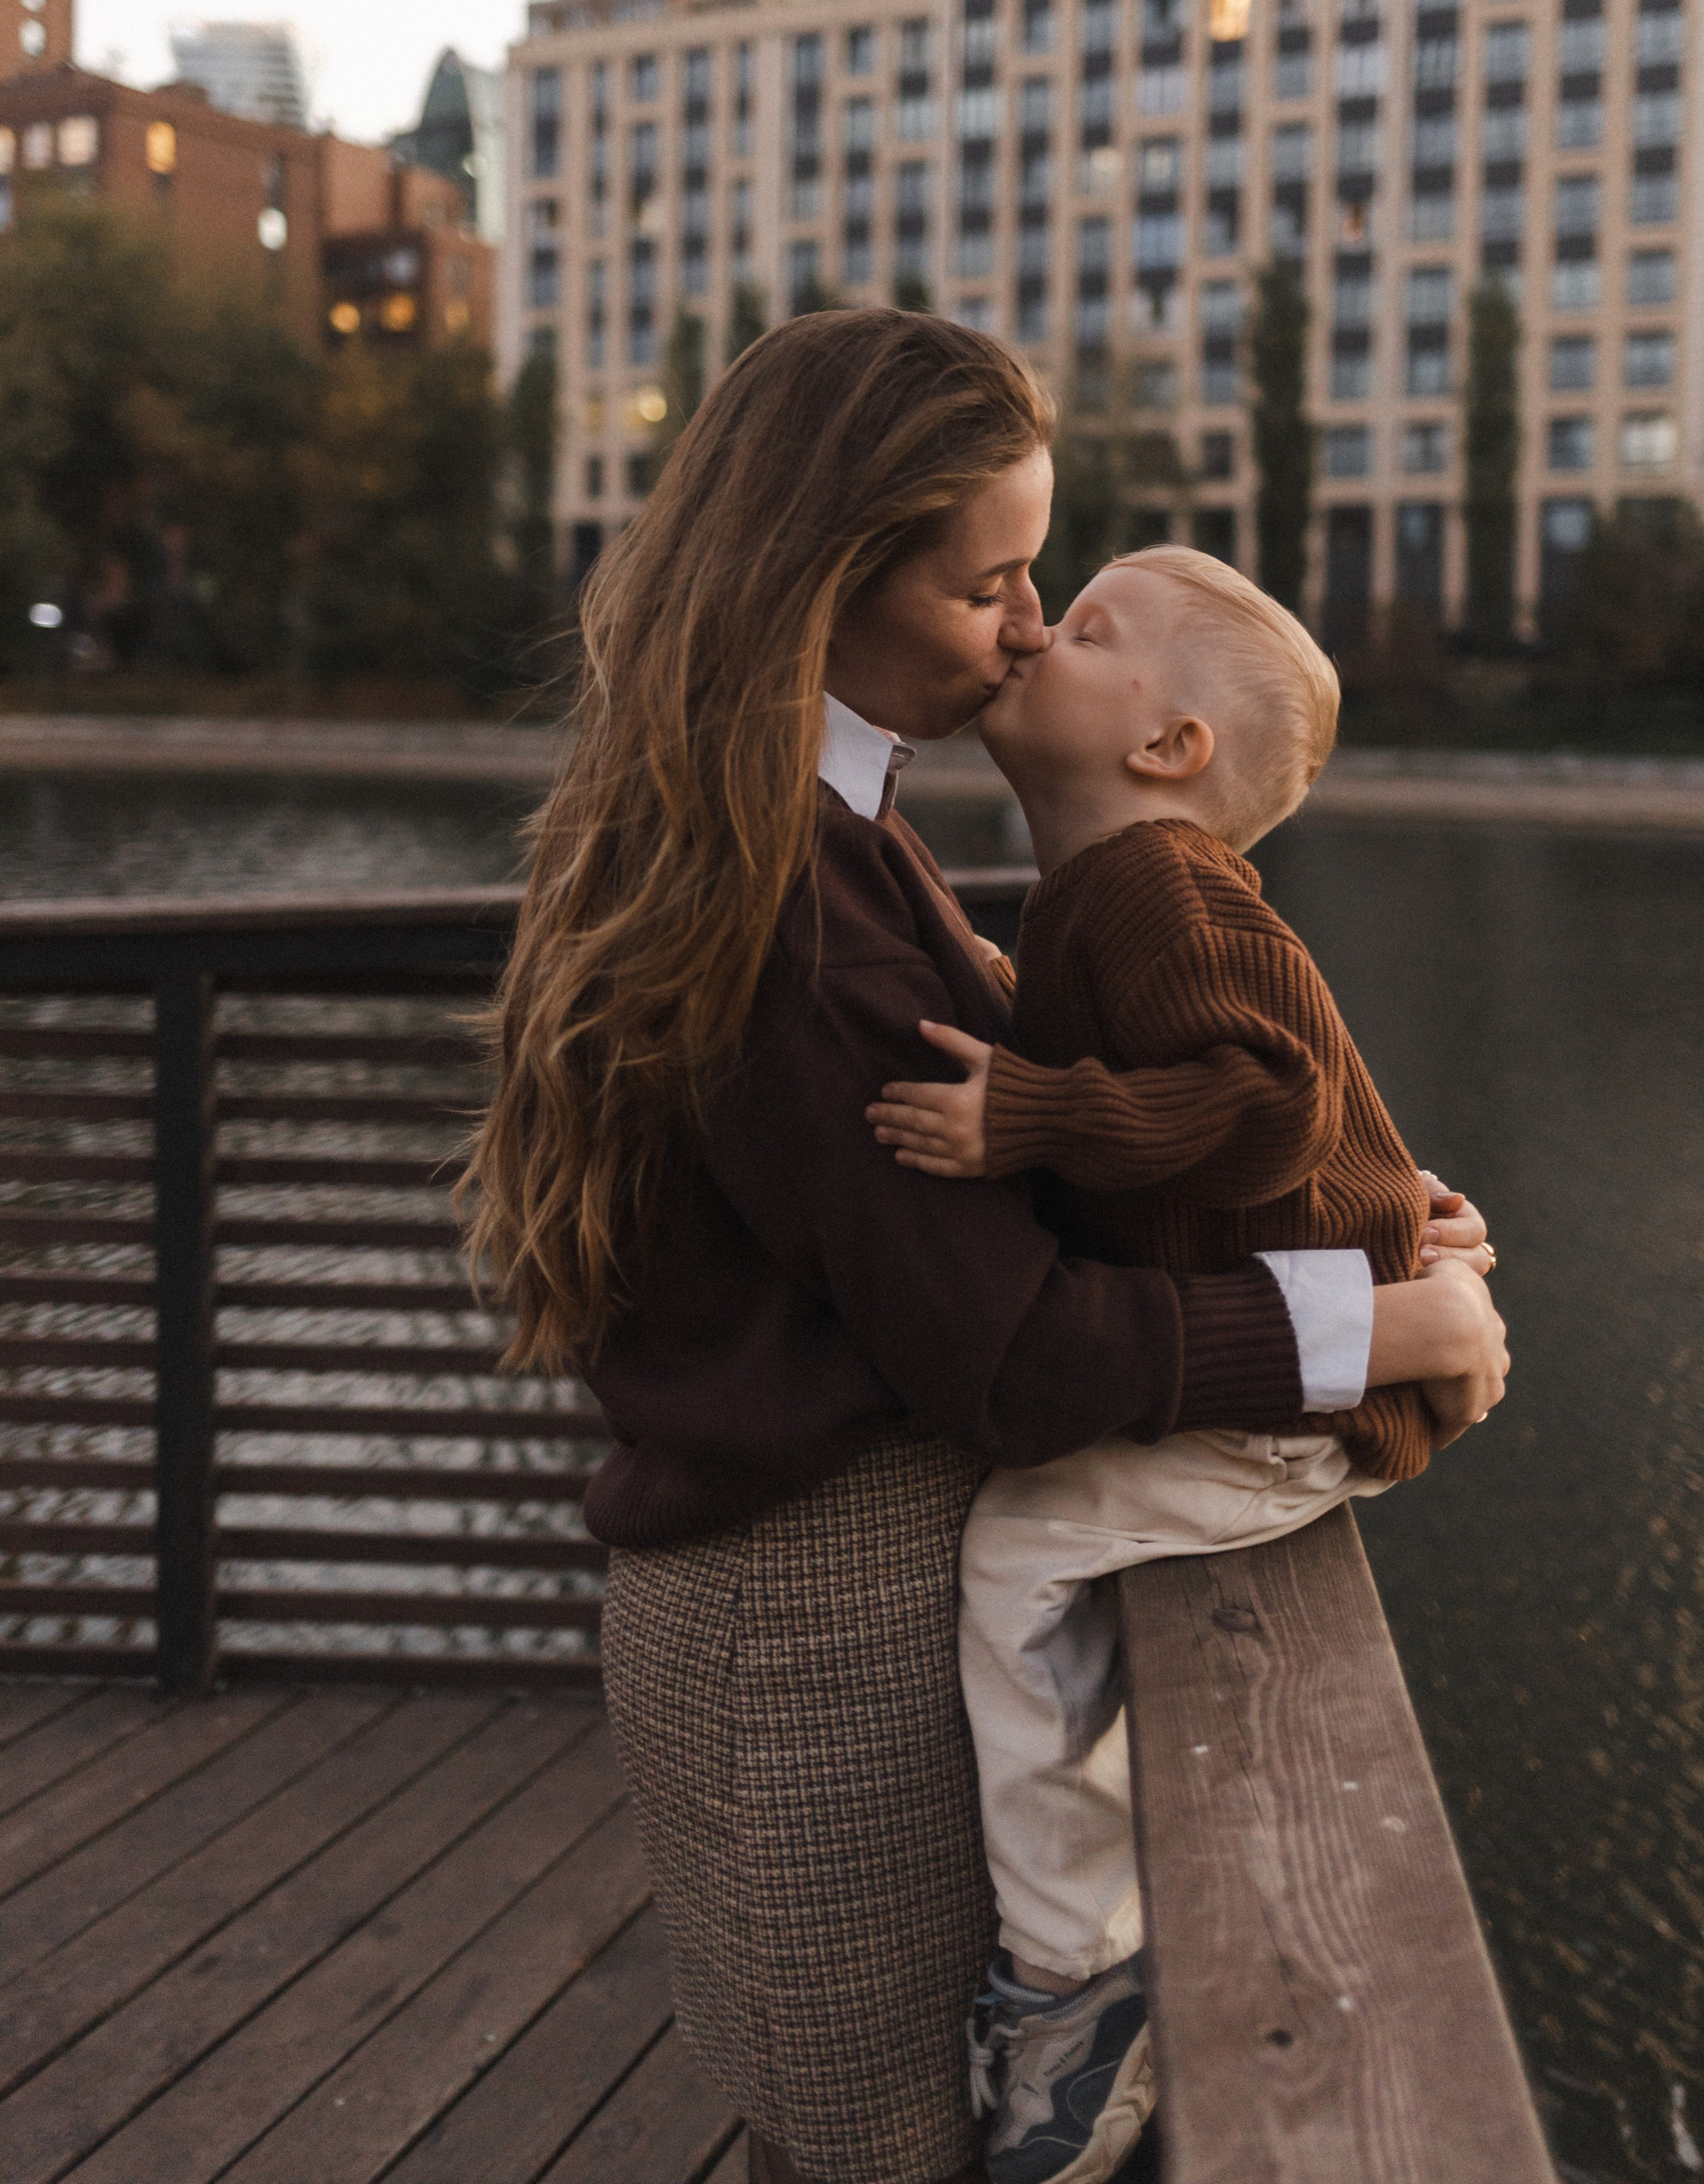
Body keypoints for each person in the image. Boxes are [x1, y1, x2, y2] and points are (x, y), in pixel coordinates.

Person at [464, 313, 1507, 2184]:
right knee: (875, 2153)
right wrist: (1373, 1330)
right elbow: (1010, 1356)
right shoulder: (811, 910)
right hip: (813, 1641)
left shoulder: (797, 834)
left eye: (1044, 582)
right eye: (991, 587)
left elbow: (1009, 1184)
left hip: (813, 1602)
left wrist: (1351, 1212)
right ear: (823, 581)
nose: (1026, 628)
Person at [868, 546, 1502, 2184]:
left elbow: (1263, 1098)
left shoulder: (1152, 883)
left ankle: (1076, 1983)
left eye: (1080, 629)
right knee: (1034, 1553)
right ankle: (1083, 1951)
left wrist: (1030, 1113)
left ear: (1166, 750)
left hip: (1287, 1402)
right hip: (1281, 1354)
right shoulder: (1105, 891)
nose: (1029, 630)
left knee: (1016, 1557)